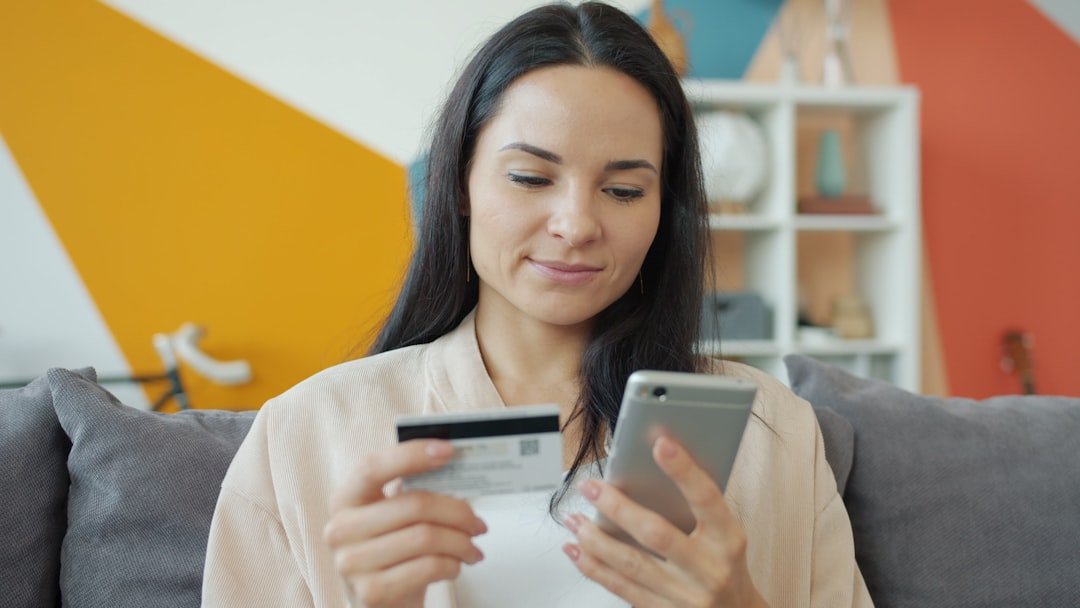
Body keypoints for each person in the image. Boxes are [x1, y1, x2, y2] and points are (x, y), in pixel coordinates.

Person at [201, 3, 872, 607]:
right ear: (459, 184)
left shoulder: (775, 433)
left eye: (625, 190)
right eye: (530, 177)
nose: (576, 224)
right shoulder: (305, 436)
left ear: (666, 211)